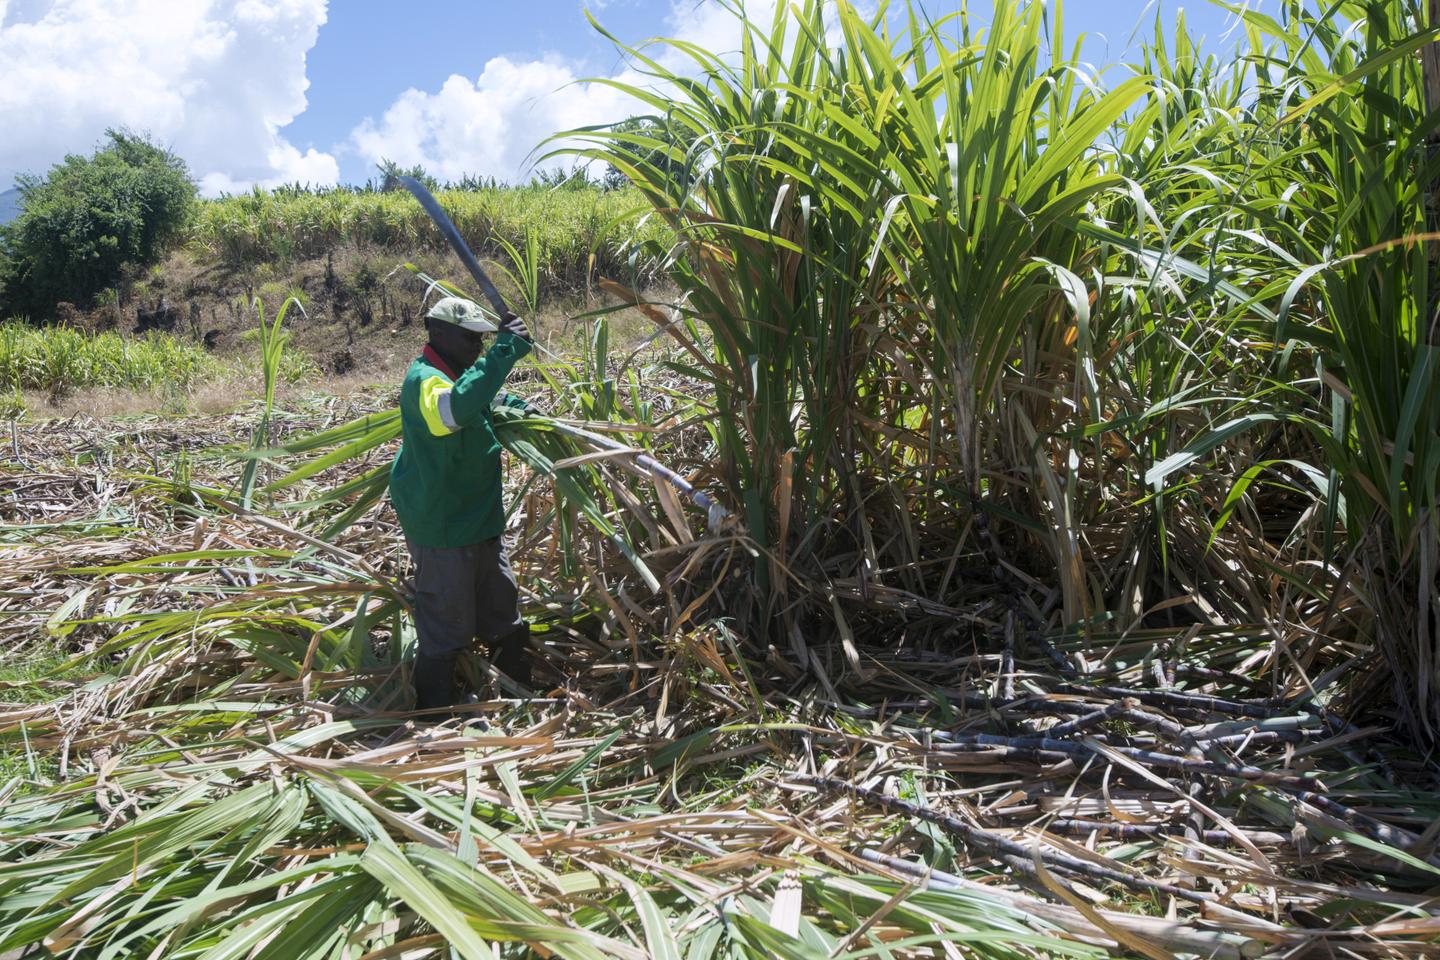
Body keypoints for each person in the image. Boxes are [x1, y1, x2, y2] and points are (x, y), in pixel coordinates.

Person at [389, 296, 538, 712]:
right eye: (469, 338)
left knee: (501, 610)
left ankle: (520, 696)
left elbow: (484, 400)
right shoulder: (425, 380)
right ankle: (434, 716)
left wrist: (523, 409)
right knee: (447, 623)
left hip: (481, 518)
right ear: (437, 332)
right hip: (444, 525)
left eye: (482, 339)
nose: (478, 347)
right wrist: (504, 353)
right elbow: (453, 411)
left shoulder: (459, 374)